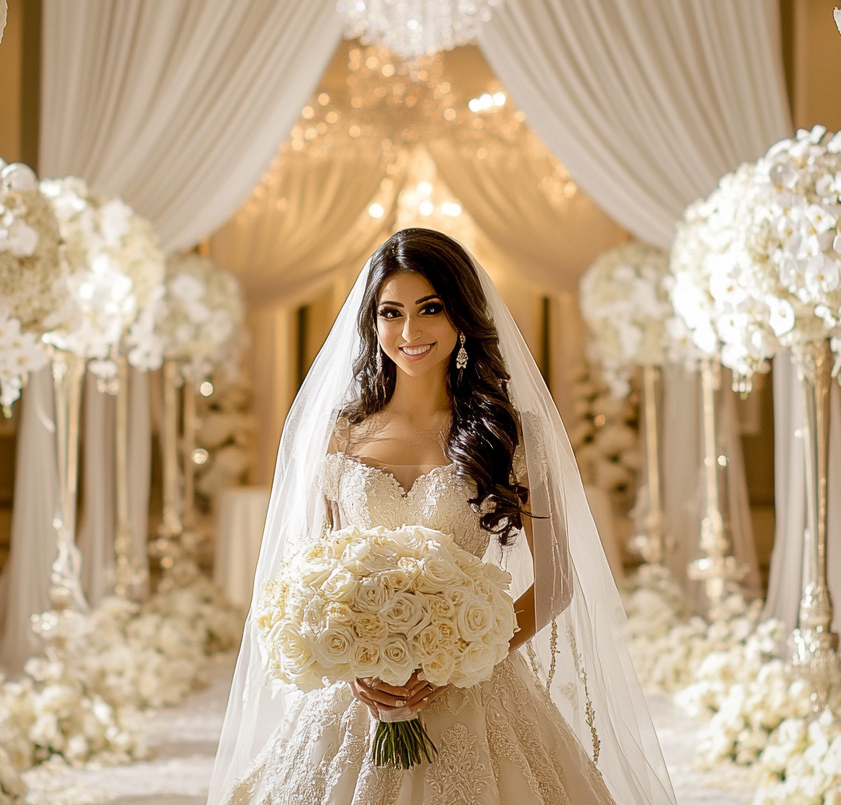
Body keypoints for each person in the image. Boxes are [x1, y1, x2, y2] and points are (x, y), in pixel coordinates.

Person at [208, 229, 676, 805]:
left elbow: (555, 585)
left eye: (430, 309)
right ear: (371, 324)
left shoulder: (512, 435)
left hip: (477, 690)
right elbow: (313, 574)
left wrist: (457, 656)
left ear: (461, 316)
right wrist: (349, 659)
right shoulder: (338, 436)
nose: (409, 333)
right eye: (391, 313)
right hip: (360, 697)